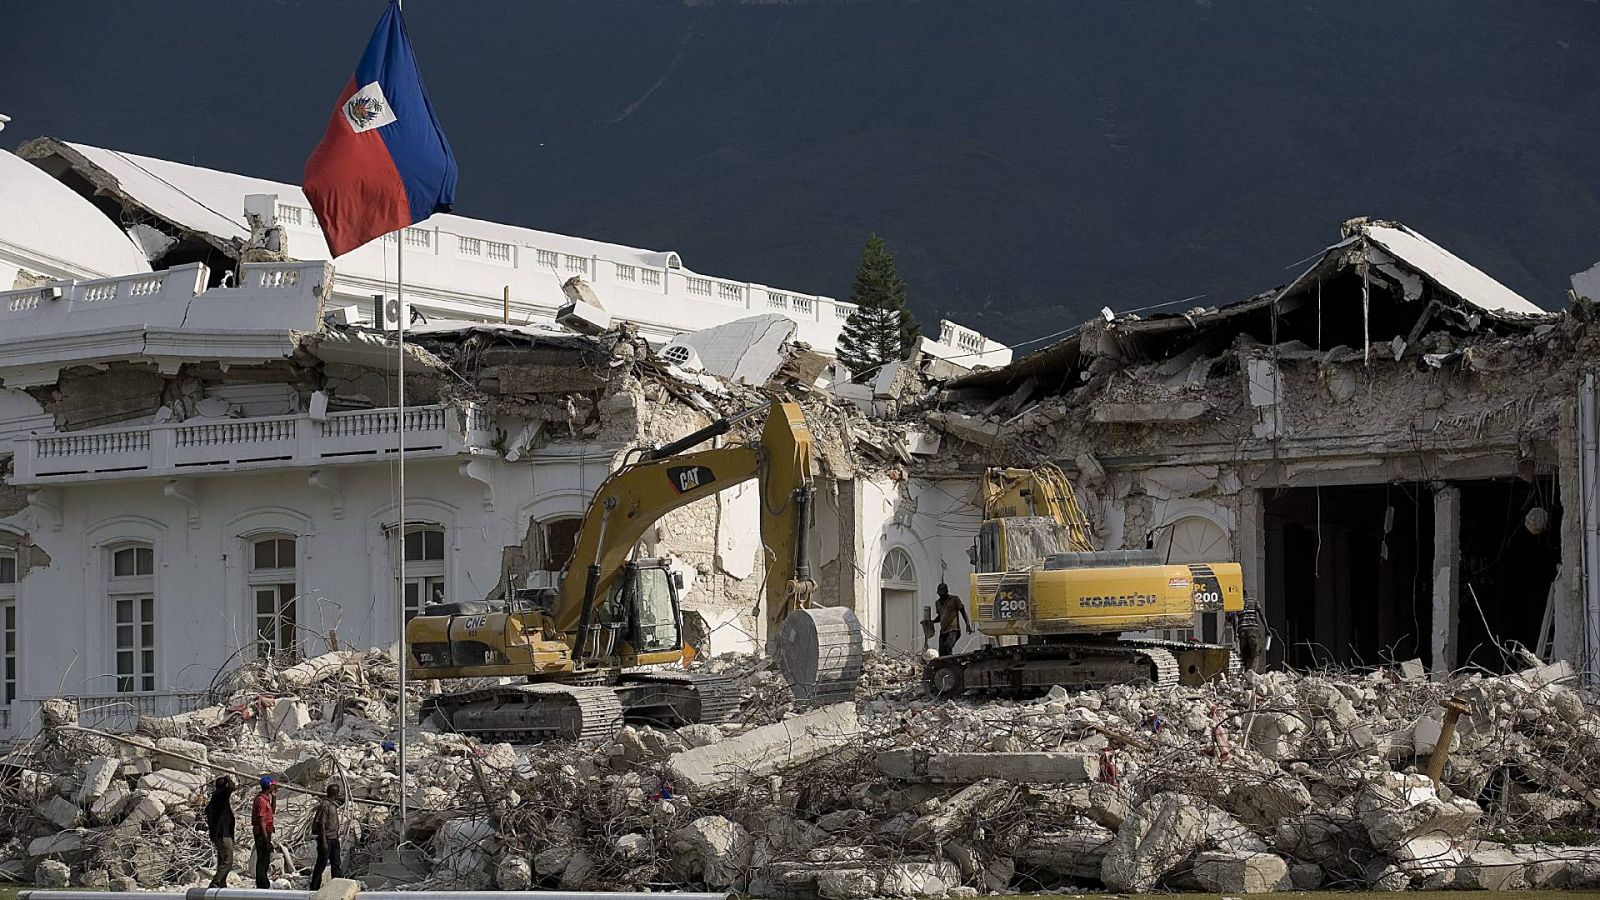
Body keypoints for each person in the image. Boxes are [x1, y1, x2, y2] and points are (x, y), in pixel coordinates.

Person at [310, 783, 345, 889]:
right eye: (338, 791)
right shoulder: (325, 805)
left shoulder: (332, 804)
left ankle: (337, 886)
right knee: (321, 864)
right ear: (335, 793)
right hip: (327, 839)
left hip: (333, 838)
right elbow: (321, 824)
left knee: (336, 863)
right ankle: (314, 886)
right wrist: (324, 842)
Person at [204, 775, 236, 888]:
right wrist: (228, 778)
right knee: (228, 860)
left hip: (218, 834)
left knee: (222, 860)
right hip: (224, 834)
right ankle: (216, 882)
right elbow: (233, 787)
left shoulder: (215, 799)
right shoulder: (221, 796)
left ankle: (222, 883)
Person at [252, 775, 278, 889]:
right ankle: (262, 883)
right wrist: (266, 839)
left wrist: (274, 798)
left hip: (266, 832)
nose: (275, 786)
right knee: (262, 858)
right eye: (273, 785)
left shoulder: (266, 798)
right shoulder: (261, 800)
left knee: (265, 858)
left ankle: (263, 882)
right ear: (269, 786)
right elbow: (261, 820)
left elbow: (272, 811)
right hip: (262, 833)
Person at [934, 583, 972, 656]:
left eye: (942, 594)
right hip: (943, 632)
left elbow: (963, 611)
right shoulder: (938, 603)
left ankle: (950, 665)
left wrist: (967, 624)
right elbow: (940, 617)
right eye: (939, 594)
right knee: (941, 652)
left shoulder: (955, 599)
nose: (941, 596)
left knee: (947, 646)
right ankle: (944, 666)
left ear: (947, 592)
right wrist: (931, 621)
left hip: (953, 630)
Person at [1236, 596, 1264, 673]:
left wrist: (1236, 633)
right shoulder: (1254, 601)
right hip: (1253, 630)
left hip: (1242, 632)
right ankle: (1251, 675)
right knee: (1255, 653)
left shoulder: (1237, 602)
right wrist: (1267, 629)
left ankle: (1246, 674)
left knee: (1245, 655)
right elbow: (1261, 615)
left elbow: (1234, 618)